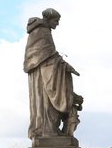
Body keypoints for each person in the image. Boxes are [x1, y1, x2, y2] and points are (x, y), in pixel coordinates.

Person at [24, 8, 81, 139]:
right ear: (48, 19)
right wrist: (64, 65)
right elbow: (45, 56)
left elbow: (49, 55)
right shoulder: (41, 31)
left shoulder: (42, 30)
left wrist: (63, 65)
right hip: (43, 75)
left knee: (47, 103)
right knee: (45, 103)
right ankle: (47, 131)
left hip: (46, 71)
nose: (57, 24)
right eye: (56, 21)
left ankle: (49, 129)